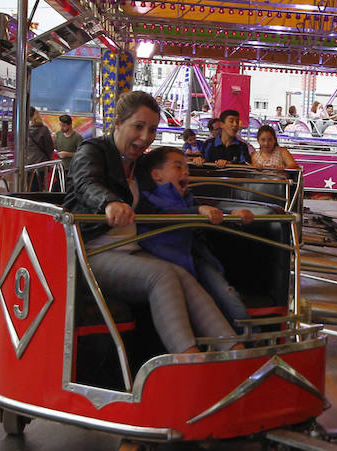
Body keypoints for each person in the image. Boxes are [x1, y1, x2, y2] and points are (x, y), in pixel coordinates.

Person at [63, 91, 239, 354]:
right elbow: (86, 182)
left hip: (131, 250)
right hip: (92, 251)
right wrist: (109, 203)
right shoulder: (93, 151)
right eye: (138, 127)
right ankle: (187, 359)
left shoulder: (140, 164)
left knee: (183, 276)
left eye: (152, 130)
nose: (145, 137)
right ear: (118, 123)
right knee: (163, 275)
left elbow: (172, 193)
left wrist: (221, 209)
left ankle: (234, 350)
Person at [134, 146, 254, 330]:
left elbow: (210, 214)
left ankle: (251, 336)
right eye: (178, 167)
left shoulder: (187, 197)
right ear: (157, 175)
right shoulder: (146, 199)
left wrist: (233, 216)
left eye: (186, 168)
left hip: (196, 258)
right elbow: (166, 217)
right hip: (166, 261)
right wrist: (197, 211)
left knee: (226, 293)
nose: (185, 172)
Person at [27, 106, 54, 192]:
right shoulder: (43, 129)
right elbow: (49, 146)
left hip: (28, 163)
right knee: (39, 186)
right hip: (41, 163)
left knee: (29, 186)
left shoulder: (23, 129)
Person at [53, 114, 81, 181]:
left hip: (71, 169)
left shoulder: (77, 137)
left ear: (70, 125)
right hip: (59, 168)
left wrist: (67, 154)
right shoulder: (58, 134)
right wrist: (52, 141)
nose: (61, 128)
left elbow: (81, 154)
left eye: (64, 126)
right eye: (60, 125)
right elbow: (54, 149)